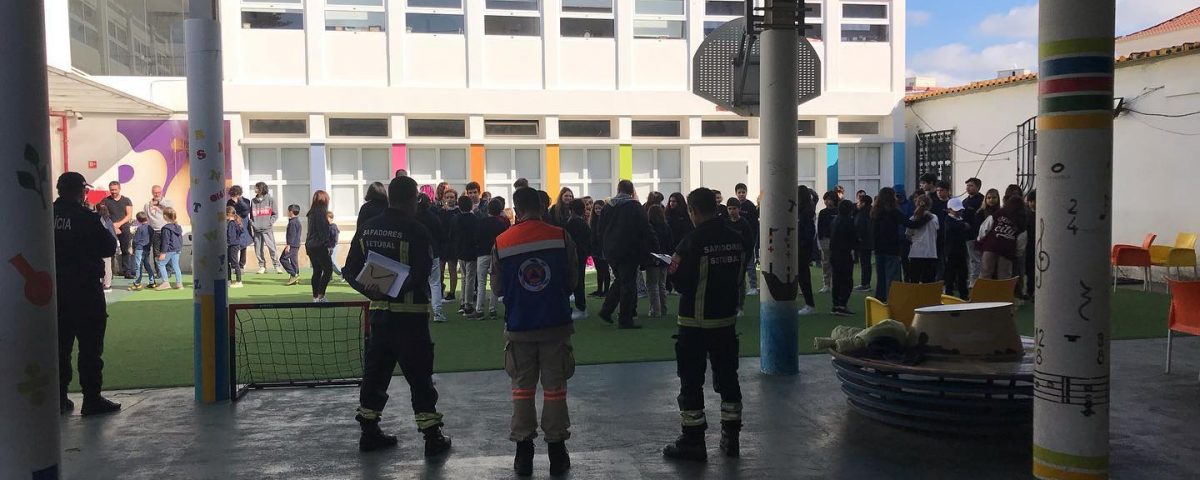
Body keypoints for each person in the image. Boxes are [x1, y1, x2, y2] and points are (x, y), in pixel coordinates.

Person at [342, 175, 452, 456]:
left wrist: (372, 291)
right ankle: (432, 436)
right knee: (420, 377)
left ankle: (369, 432)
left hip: (380, 316)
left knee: (375, 375)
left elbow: (349, 269)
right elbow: (422, 271)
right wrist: (396, 290)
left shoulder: (367, 228)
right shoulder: (416, 230)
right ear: (412, 199)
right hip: (411, 318)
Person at [491, 187, 578, 476]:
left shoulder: (502, 242)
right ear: (541, 207)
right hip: (555, 325)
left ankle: (523, 453)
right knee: (555, 390)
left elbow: (498, 288)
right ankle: (557, 453)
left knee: (522, 390)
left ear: (516, 210)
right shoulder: (561, 237)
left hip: (520, 328)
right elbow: (572, 280)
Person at [662, 187, 745, 462]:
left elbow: (681, 282)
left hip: (695, 323)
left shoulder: (692, 242)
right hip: (726, 321)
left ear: (693, 210)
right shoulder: (736, 239)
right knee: (728, 379)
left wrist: (671, 269)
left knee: (691, 382)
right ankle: (731, 438)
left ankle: (693, 441)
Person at [53, 173, 122, 416]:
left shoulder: (45, 216)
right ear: (81, 191)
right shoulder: (86, 218)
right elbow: (108, 246)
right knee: (90, 349)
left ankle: (59, 398)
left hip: (55, 292)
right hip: (85, 290)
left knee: (59, 348)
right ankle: (91, 399)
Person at [598, 180, 657, 329]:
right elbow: (645, 227)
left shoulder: (608, 207)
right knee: (628, 284)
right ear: (631, 191)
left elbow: (600, 229)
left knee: (620, 280)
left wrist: (603, 247)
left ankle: (606, 310)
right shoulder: (635, 206)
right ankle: (625, 319)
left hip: (611, 250)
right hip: (629, 250)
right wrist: (654, 245)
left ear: (618, 190)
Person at [871, 187, 931, 301]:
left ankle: (880, 300)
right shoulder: (894, 212)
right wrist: (925, 219)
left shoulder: (875, 212)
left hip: (878, 249)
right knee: (892, 277)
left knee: (881, 277)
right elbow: (910, 224)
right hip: (891, 249)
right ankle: (892, 300)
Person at [471, 197, 510, 320]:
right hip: (496, 254)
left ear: (488, 210)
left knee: (481, 282)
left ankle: (479, 309)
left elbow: (476, 237)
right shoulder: (501, 223)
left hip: (482, 253)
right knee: (494, 281)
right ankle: (493, 309)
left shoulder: (482, 222)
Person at [415, 193, 449, 322]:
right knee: (435, 283)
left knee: (417, 282)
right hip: (432, 252)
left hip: (415, 253)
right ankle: (438, 312)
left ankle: (417, 311)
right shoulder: (433, 217)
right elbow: (441, 235)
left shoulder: (411, 217)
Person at [978, 194, 1027, 281]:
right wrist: (1017, 253)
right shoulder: (1021, 218)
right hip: (1007, 249)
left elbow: (985, 226)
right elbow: (1022, 238)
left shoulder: (1000, 212)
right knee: (1004, 276)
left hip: (991, 246)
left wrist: (980, 239)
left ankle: (983, 290)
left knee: (985, 273)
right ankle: (1003, 290)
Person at [725, 199, 755, 314]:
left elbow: (750, 242)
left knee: (740, 281)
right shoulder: (726, 223)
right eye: (729, 209)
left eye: (734, 208)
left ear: (739, 209)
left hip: (741, 255)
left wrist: (746, 257)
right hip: (728, 256)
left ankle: (739, 307)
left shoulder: (744, 223)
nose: (732, 211)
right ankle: (729, 305)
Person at [99, 181, 134, 278]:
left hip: (124, 228)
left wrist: (118, 224)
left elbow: (129, 215)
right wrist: (112, 226)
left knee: (125, 250)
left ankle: (127, 271)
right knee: (110, 250)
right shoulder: (105, 201)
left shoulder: (126, 200)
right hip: (110, 228)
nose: (113, 191)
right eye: (112, 190)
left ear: (119, 189)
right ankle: (110, 273)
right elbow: (103, 215)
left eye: (115, 189)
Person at [564, 199, 592, 320]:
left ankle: (581, 308)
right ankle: (581, 307)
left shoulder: (572, 224)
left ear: (572, 211)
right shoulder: (584, 223)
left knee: (577, 281)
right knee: (580, 280)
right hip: (582, 254)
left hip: (574, 255)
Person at [830, 199, 858, 316]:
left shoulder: (835, 220)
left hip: (834, 253)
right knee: (847, 280)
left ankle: (836, 305)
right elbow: (853, 238)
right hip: (844, 253)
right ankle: (842, 305)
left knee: (836, 280)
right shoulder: (848, 221)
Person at [305, 191, 333, 303]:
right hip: (319, 245)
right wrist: (328, 245)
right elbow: (322, 231)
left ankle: (315, 296)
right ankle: (321, 295)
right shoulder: (321, 213)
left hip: (310, 245)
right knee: (328, 270)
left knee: (317, 271)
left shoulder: (311, 213)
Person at [906, 195, 940, 283]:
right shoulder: (934, 218)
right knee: (929, 281)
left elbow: (908, 235)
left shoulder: (913, 218)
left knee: (914, 280)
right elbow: (936, 232)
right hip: (930, 252)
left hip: (916, 252)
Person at [942, 198, 972, 300]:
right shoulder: (948, 220)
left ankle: (964, 295)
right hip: (951, 252)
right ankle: (949, 294)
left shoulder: (960, 219)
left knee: (962, 274)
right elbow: (954, 228)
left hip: (961, 250)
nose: (958, 212)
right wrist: (963, 225)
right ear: (949, 209)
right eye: (956, 210)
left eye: (960, 210)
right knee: (950, 274)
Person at [647, 204, 673, 318]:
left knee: (653, 285)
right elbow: (670, 243)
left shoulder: (649, 227)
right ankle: (663, 309)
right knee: (662, 284)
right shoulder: (666, 227)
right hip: (665, 258)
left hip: (653, 258)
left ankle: (655, 310)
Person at [796, 185, 818, 315]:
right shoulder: (803, 210)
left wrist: (802, 244)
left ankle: (810, 304)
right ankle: (809, 303)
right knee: (802, 275)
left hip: (803, 248)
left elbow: (809, 232)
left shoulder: (805, 212)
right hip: (802, 247)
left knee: (803, 276)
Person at [734, 183, 760, 296]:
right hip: (736, 241)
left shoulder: (750, 206)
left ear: (746, 193)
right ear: (736, 193)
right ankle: (739, 286)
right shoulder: (734, 205)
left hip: (748, 240)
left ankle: (753, 286)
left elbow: (754, 225)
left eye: (743, 192)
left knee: (750, 264)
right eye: (739, 192)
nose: (741, 194)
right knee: (737, 265)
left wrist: (752, 239)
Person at [250, 182, 281, 274]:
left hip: (267, 229)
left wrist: (269, 223)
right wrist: (253, 224)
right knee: (258, 249)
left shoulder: (270, 200)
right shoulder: (253, 201)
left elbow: (275, 214)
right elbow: (251, 216)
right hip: (256, 229)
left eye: (256, 188)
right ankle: (262, 266)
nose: (255, 189)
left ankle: (276, 265)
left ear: (261, 189)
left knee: (272, 248)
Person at [962, 178, 985, 284]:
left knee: (975, 259)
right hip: (965, 235)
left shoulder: (982, 200)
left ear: (978, 187)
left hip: (975, 235)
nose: (968, 188)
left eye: (971, 185)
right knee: (967, 259)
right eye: (967, 185)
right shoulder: (965, 201)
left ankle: (975, 281)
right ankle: (968, 278)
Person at [154, 207, 184, 290]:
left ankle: (165, 283)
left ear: (165, 216)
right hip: (177, 249)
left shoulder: (166, 228)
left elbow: (165, 241)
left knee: (161, 264)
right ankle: (179, 283)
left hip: (170, 249)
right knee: (176, 265)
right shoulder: (178, 227)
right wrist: (179, 248)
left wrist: (163, 253)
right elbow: (180, 239)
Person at [438, 188, 460, 301]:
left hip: (453, 244)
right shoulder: (441, 212)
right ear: (444, 199)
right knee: (440, 269)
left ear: (456, 199)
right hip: (442, 243)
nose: (449, 199)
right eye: (447, 197)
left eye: (452, 197)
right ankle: (439, 290)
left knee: (452, 269)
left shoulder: (458, 212)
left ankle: (452, 293)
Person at [143, 185, 173, 265]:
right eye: (155, 193)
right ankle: (159, 269)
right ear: (152, 193)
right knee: (157, 253)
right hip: (155, 231)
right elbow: (146, 217)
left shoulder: (167, 202)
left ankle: (168, 269)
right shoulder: (147, 205)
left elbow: (171, 209)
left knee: (167, 251)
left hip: (166, 230)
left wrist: (159, 202)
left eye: (159, 192)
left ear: (162, 192)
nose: (157, 194)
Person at [128, 212, 157, 291]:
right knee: (147, 265)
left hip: (139, 248)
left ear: (138, 220)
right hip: (147, 249)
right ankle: (152, 282)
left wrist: (132, 248)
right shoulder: (150, 228)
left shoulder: (140, 228)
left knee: (138, 266)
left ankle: (137, 283)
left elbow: (135, 240)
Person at [816, 191, 838, 293]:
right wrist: (820, 240)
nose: (827, 201)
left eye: (829, 199)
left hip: (836, 240)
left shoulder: (838, 211)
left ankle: (835, 284)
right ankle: (826, 284)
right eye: (825, 199)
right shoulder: (822, 212)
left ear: (834, 200)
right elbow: (819, 227)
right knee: (825, 263)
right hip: (825, 240)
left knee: (835, 262)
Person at [228, 185, 252, 273]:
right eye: (232, 195)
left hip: (243, 225)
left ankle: (241, 265)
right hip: (233, 225)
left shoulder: (246, 201)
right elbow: (228, 211)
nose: (233, 197)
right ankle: (233, 265)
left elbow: (246, 211)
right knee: (233, 245)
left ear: (238, 194)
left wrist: (239, 201)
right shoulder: (229, 202)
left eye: (234, 195)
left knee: (243, 245)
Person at [589, 200, 610, 298]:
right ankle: (599, 289)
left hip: (603, 248)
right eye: (596, 208)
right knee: (599, 270)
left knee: (605, 270)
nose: (598, 210)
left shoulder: (606, 220)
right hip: (595, 249)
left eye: (600, 208)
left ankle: (606, 290)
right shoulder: (593, 221)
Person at [853, 194, 874, 292]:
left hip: (863, 242)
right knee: (866, 263)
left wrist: (858, 237)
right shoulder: (871, 211)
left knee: (865, 263)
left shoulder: (863, 213)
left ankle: (865, 284)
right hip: (869, 241)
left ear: (863, 203)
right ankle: (865, 283)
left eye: (859, 202)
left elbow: (860, 227)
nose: (857, 204)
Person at [227, 206, 251, 288]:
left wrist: (227, 243)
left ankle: (239, 281)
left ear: (228, 214)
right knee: (227, 263)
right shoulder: (235, 222)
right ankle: (228, 280)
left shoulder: (232, 223)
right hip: (233, 244)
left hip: (232, 245)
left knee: (234, 263)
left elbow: (231, 236)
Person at [96, 202, 117, 293]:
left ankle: (106, 283)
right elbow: (112, 233)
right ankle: (107, 283)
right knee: (107, 265)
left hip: (100, 245)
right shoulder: (108, 220)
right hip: (106, 246)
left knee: (104, 265)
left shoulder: (98, 220)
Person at [281, 205, 302, 285]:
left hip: (292, 245)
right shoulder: (297, 221)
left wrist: (288, 245)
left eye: (288, 211)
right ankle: (295, 277)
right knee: (294, 261)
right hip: (296, 244)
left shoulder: (292, 222)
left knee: (283, 259)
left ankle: (294, 274)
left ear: (291, 212)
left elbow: (291, 234)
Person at [1024, 189, 1037, 300]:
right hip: (1029, 246)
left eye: (1034, 201)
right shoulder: (1026, 215)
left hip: (1038, 244)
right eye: (1030, 201)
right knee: (1030, 270)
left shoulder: (1042, 214)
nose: (1032, 203)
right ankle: (1030, 291)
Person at [328, 211, 342, 278]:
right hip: (328, 246)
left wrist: (332, 246)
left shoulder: (333, 227)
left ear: (331, 218)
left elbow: (335, 238)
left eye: (327, 218)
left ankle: (342, 273)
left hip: (333, 246)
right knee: (328, 262)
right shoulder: (326, 227)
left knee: (332, 261)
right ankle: (329, 276)